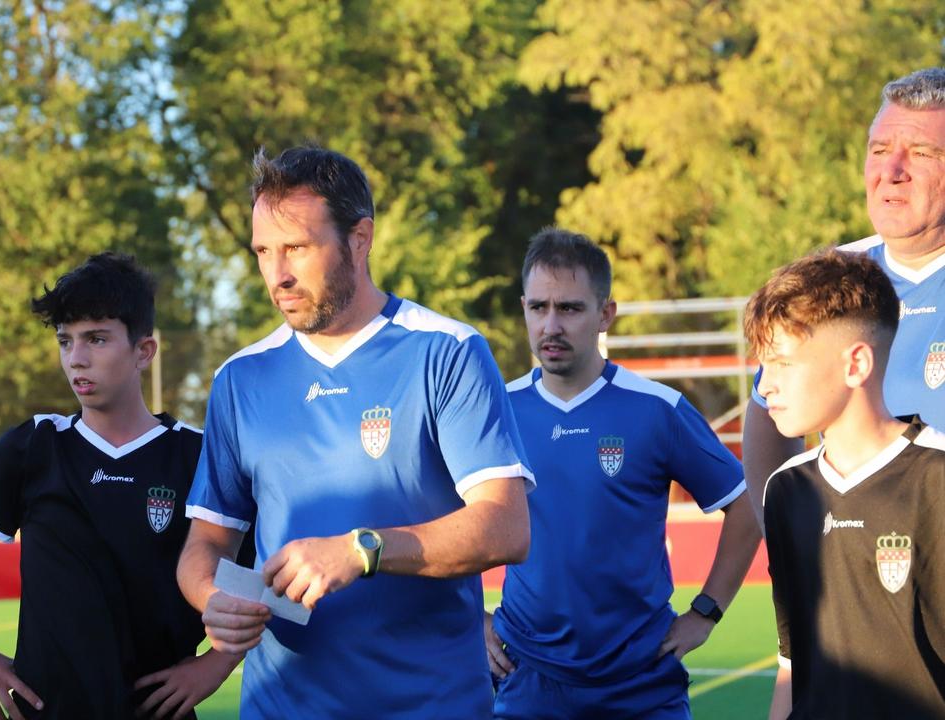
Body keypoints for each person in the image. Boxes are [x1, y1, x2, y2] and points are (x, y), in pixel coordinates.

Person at [176, 146, 533, 719]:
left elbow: (507, 528)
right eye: (264, 251)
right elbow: (207, 544)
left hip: (430, 706)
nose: (277, 275)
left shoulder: (447, 352)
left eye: (297, 248)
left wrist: (362, 549)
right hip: (281, 708)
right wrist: (213, 599)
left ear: (359, 239)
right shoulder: (240, 379)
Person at [0, 253, 247, 720]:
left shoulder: (196, 454)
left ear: (144, 351)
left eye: (96, 339)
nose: (76, 357)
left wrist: (217, 665)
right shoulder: (34, 446)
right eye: (66, 340)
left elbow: (257, 571)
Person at [484, 229, 760, 720]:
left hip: (642, 683)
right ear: (523, 307)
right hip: (528, 680)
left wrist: (706, 611)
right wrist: (472, 616)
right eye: (538, 307)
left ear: (605, 314)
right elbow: (432, 512)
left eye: (570, 308)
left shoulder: (658, 409)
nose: (551, 325)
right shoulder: (496, 410)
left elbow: (747, 503)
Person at [745, 250, 945, 719]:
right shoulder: (786, 490)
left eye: (782, 363)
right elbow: (792, 659)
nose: (765, 385)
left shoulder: (934, 478)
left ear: (856, 364)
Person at [743, 67, 945, 531]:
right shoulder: (833, 277)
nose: (891, 172)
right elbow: (768, 411)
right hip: (858, 560)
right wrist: (785, 533)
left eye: (920, 153)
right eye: (879, 151)